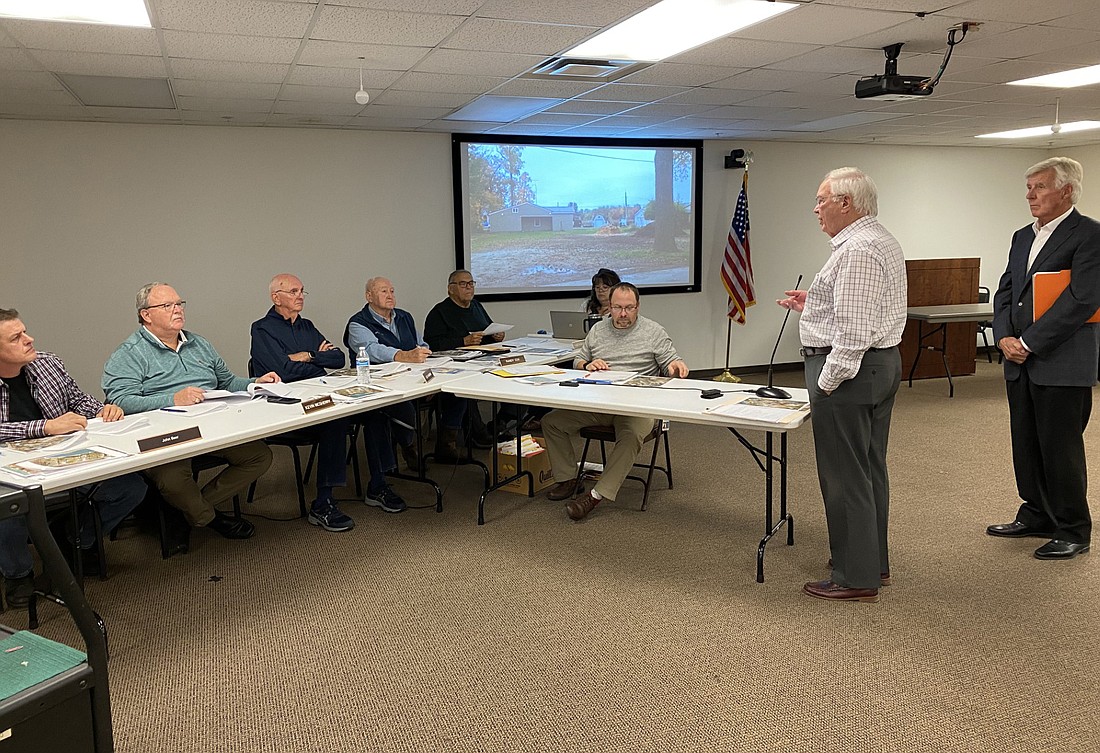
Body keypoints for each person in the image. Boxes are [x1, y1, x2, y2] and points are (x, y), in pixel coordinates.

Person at [777, 167, 906, 604]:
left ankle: (855, 576)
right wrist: (814, 305)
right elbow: (862, 309)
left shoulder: (858, 249)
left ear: (846, 203)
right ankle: (873, 562)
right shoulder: (878, 240)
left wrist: (828, 381)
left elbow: (854, 331)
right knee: (868, 469)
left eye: (821, 200)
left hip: (850, 374)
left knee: (843, 475)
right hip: (876, 367)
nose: (815, 209)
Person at [102, 283, 279, 549]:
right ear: (146, 315)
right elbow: (120, 401)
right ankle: (210, 518)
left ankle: (190, 511)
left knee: (260, 456)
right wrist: (172, 399)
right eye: (167, 306)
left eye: (179, 304)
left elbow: (227, 381)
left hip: (213, 425)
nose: (178, 310)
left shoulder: (199, 343)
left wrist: (256, 382)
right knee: (173, 481)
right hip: (164, 435)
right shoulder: (129, 353)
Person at [986, 157, 1100, 560]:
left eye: (1039, 187)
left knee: (1060, 447)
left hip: (1061, 360)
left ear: (1066, 190)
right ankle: (1036, 513)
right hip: (1018, 360)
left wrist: (1030, 341)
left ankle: (1073, 527)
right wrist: (1003, 336)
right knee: (1027, 442)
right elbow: (1006, 291)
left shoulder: (1089, 235)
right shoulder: (1022, 236)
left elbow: (1082, 299)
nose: (1030, 195)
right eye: (1029, 187)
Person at [0, 309, 147, 606]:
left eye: (25, 331)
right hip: (11, 473)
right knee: (9, 511)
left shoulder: (47, 363)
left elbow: (78, 400)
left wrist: (102, 409)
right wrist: (44, 427)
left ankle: (76, 542)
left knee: (130, 488)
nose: (29, 340)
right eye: (17, 337)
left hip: (63, 461)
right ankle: (18, 575)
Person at [542, 282, 688, 521]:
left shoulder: (653, 331)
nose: (623, 314)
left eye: (629, 308)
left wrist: (675, 367)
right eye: (618, 307)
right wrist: (587, 365)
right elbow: (578, 361)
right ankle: (567, 478)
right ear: (609, 306)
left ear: (638, 307)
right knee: (552, 421)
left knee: (630, 436)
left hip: (637, 407)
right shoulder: (598, 330)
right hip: (601, 403)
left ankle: (596, 495)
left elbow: (671, 360)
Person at [250, 274, 356, 531]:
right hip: (283, 407)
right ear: (276, 298)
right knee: (335, 421)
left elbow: (338, 359)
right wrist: (317, 363)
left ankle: (379, 484)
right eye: (294, 291)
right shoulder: (262, 328)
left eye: (302, 291)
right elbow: (282, 371)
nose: (300, 296)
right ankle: (323, 502)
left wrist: (308, 356)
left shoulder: (306, 326)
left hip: (314, 396)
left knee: (368, 413)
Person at [423, 270, 500, 461]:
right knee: (463, 389)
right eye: (464, 284)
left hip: (482, 359)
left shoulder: (476, 306)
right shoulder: (439, 313)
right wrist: (463, 340)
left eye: (471, 283)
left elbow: (488, 330)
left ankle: (501, 423)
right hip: (453, 365)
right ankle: (463, 438)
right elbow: (432, 345)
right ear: (451, 289)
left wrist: (496, 335)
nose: (469, 288)